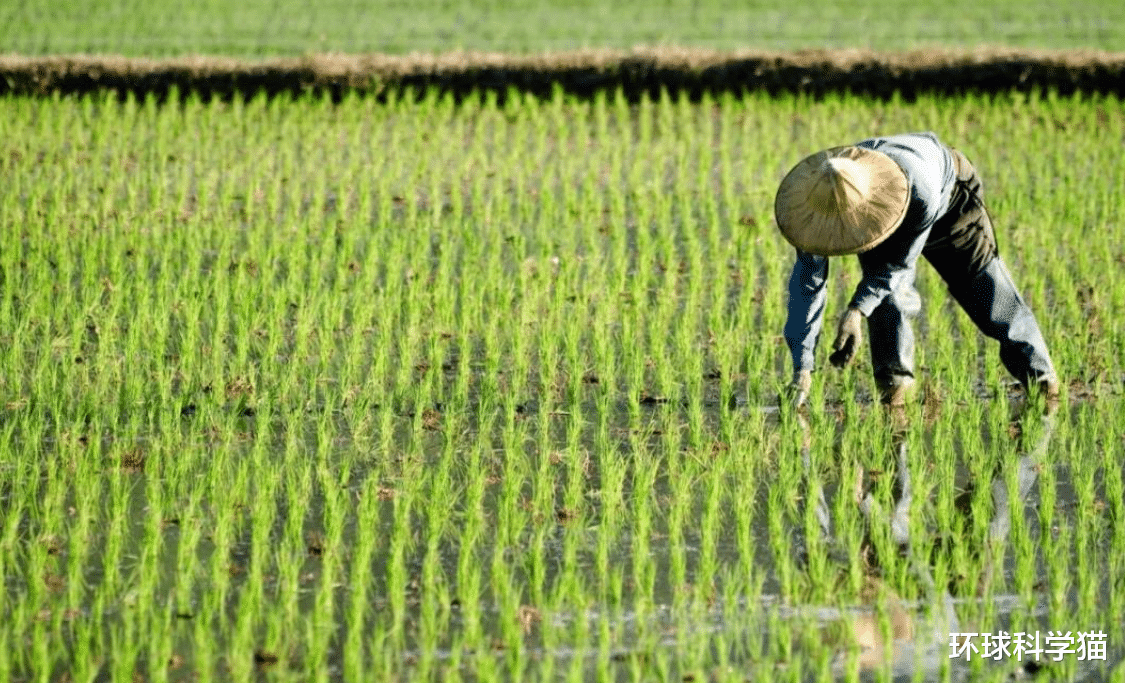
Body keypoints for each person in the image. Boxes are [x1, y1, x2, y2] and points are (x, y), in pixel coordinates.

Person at [775, 132, 1058, 407]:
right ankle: (895, 393)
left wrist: (856, 311)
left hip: (948, 197)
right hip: (882, 208)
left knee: (981, 286)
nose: (841, 232)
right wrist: (803, 367)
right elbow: (806, 287)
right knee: (887, 300)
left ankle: (1041, 379)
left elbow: (897, 265)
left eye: (848, 224)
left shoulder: (919, 187)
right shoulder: (812, 211)